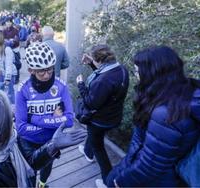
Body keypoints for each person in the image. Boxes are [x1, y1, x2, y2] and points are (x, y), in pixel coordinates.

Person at [105, 46, 200, 187]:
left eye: (138, 72)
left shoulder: (165, 114)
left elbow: (150, 165)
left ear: (152, 73)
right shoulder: (186, 93)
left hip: (157, 181)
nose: (136, 76)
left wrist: (120, 182)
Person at [0, 91, 86, 187]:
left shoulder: (11, 140)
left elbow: (30, 162)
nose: (14, 120)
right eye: (10, 118)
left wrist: (52, 146)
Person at [15, 43, 75, 188]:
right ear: (31, 70)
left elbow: (70, 120)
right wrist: (53, 121)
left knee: (47, 166)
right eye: (41, 71)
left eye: (50, 69)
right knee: (30, 171)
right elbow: (21, 128)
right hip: (28, 141)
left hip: (51, 140)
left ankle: (42, 185)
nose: (47, 75)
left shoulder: (61, 86)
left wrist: (34, 119)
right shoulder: (23, 89)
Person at [75, 44, 129, 187]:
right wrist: (92, 63)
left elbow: (90, 102)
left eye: (94, 59)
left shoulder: (104, 80)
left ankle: (107, 181)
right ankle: (88, 152)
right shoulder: (121, 70)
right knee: (95, 137)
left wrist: (80, 84)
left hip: (100, 120)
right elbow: (104, 85)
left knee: (98, 147)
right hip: (114, 116)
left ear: (100, 60)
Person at [0, 32, 17, 104]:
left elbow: (9, 65)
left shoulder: (7, 49)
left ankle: (13, 109)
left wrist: (7, 78)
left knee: (10, 93)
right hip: (2, 73)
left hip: (9, 75)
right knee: (1, 92)